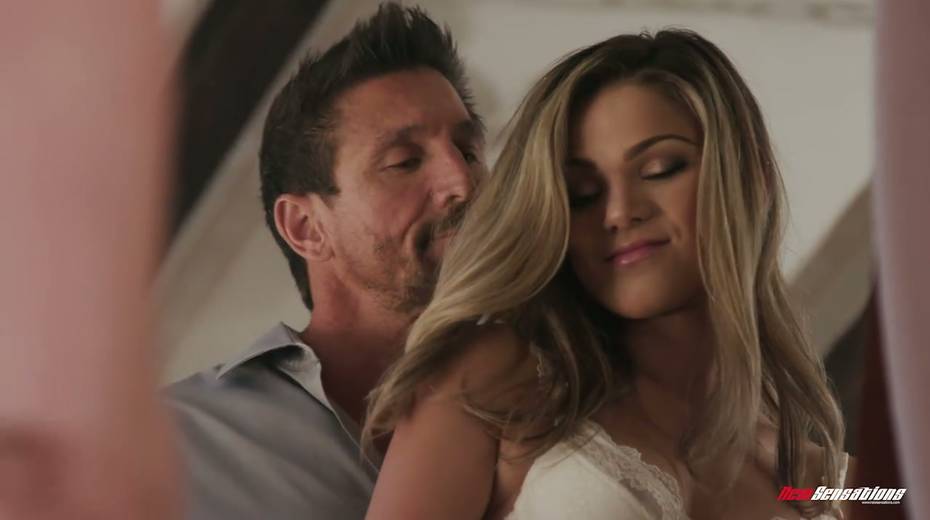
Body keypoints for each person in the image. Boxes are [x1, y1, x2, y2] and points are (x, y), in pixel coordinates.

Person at [364, 30, 853, 520]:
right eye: (582, 194)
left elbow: (880, 494)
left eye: (660, 169)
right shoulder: (499, 379)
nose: (619, 212)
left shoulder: (807, 478)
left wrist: (866, 487)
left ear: (753, 178)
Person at [168, 4, 485, 519]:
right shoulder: (174, 443)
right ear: (306, 227)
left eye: (468, 151)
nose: (462, 183)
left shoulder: (563, 385)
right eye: (405, 162)